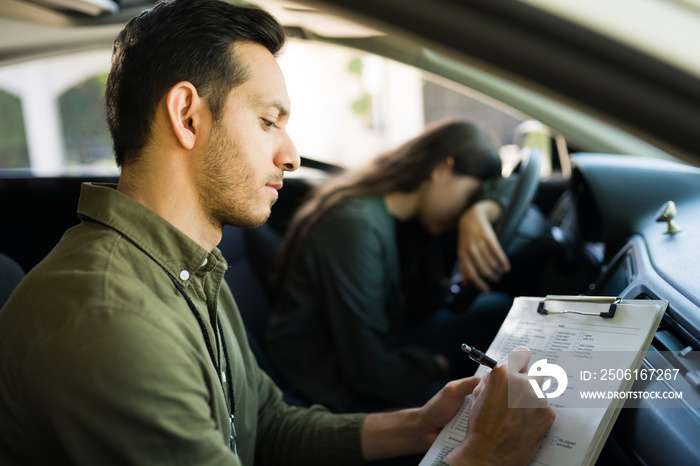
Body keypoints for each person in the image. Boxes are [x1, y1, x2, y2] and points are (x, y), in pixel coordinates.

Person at [0, 1, 554, 465]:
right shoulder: (108, 321)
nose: (289, 155)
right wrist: (482, 457)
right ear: (188, 117)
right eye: (269, 121)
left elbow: (264, 422)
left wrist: (419, 427)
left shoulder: (191, 267)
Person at [267, 120, 515, 412]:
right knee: (493, 401)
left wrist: (480, 211)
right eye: (470, 197)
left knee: (496, 309)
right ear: (441, 169)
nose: (466, 209)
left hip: (385, 342)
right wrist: (438, 366)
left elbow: (510, 185)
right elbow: (370, 372)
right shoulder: (354, 225)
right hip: (331, 386)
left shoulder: (400, 217)